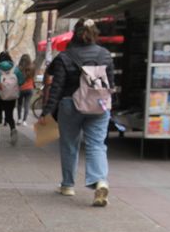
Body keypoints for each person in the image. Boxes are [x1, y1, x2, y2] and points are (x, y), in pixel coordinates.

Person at [38, 18, 115, 206]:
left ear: (75, 34)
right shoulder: (105, 55)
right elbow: (110, 84)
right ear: (95, 33)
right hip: (98, 105)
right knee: (96, 144)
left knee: (69, 145)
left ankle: (68, 185)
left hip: (70, 104)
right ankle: (100, 182)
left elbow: (57, 87)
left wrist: (47, 112)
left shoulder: (65, 56)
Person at [0, 51, 24, 145]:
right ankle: (13, 129)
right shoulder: (16, 69)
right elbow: (21, 81)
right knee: (9, 115)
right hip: (11, 96)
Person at [17, 53, 36, 126]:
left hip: (21, 88)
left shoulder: (19, 68)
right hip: (30, 88)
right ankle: (24, 121)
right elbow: (33, 77)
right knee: (26, 104)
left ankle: (19, 119)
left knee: (19, 104)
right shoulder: (32, 67)